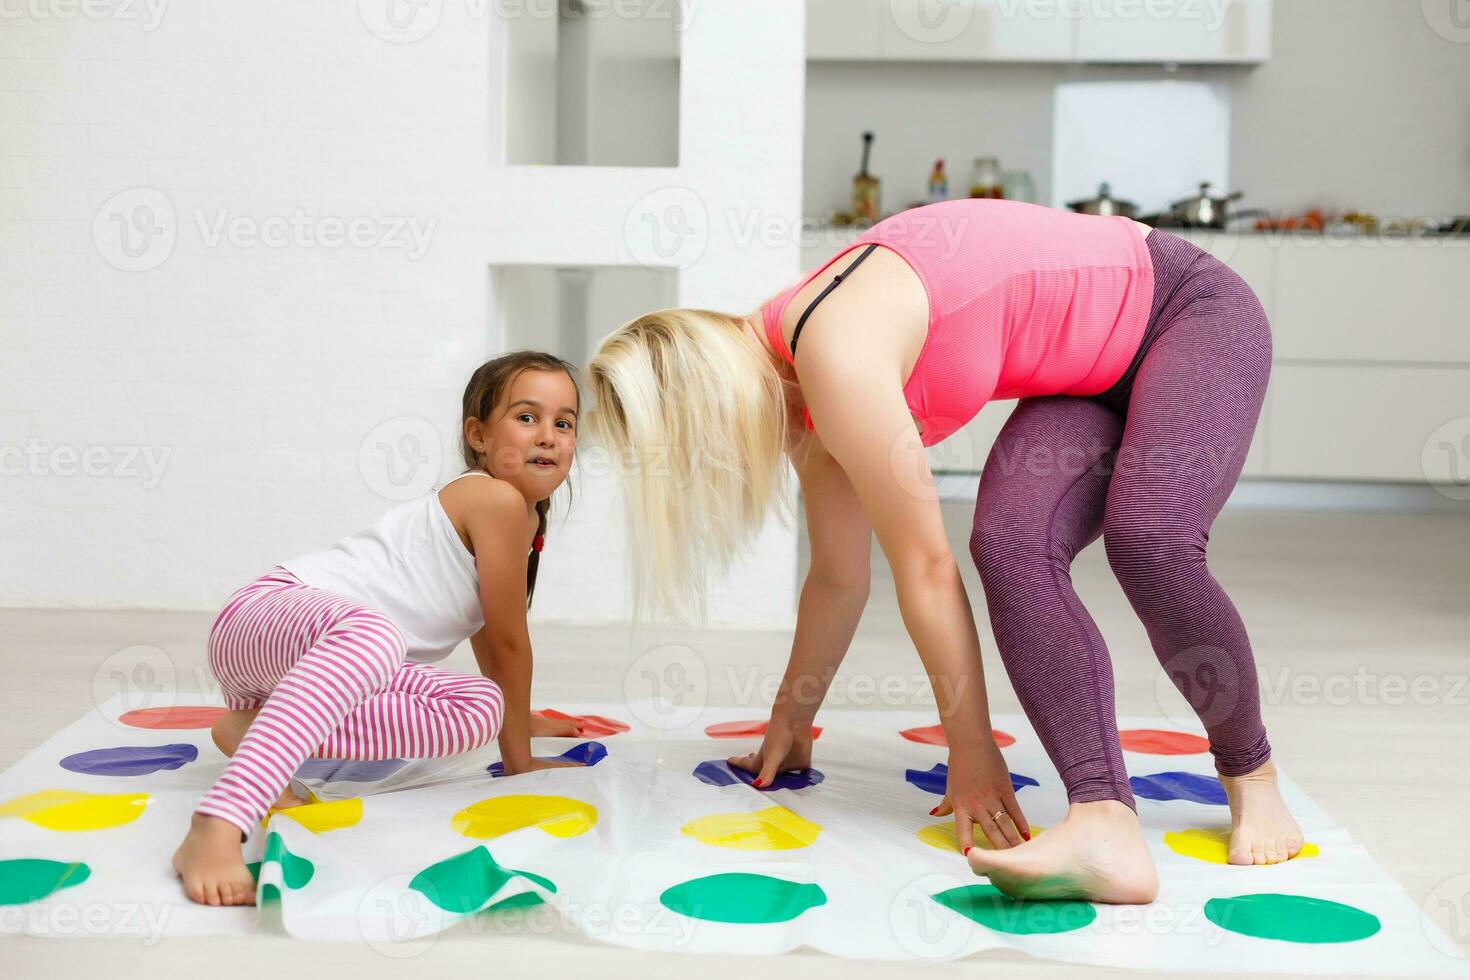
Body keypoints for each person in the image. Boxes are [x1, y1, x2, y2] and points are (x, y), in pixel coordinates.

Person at [585, 198, 1302, 903]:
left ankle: (1252, 776)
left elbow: (925, 569)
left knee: (1151, 540)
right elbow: (838, 579)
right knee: (1009, 543)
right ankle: (1104, 824)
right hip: (1089, 379)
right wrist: (793, 721)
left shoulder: (833, 352)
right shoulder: (794, 379)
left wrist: (973, 748)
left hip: (1187, 312)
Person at [172, 351, 585, 906]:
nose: (548, 436)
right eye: (527, 417)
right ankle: (218, 824)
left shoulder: (521, 516)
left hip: (307, 670)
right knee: (377, 636)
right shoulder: (495, 498)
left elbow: (489, 636)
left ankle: (256, 728)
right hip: (265, 617)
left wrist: (516, 718)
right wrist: (519, 764)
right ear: (478, 435)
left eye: (564, 423)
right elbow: (512, 643)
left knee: (478, 707)